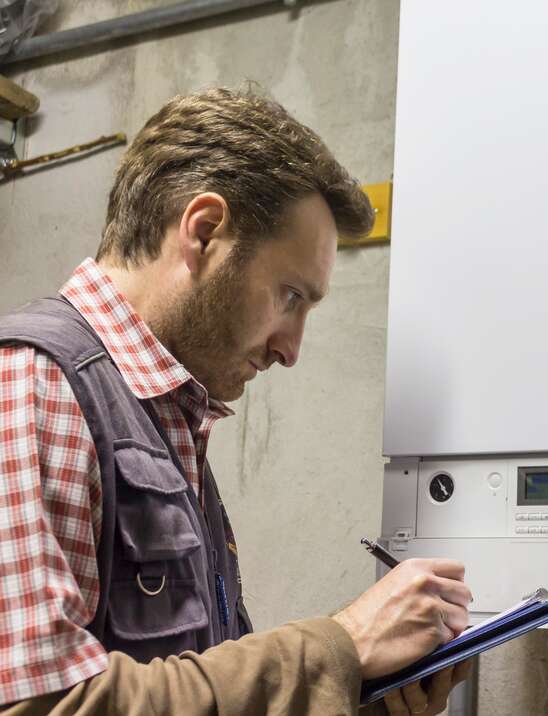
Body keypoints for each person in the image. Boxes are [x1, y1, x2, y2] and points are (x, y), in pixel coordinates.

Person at [0, 87, 470, 716]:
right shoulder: (35, 383)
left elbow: (197, 682)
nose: (291, 349)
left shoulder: (160, 417)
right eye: (291, 296)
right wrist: (342, 645)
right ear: (204, 232)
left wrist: (363, 690)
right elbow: (44, 706)